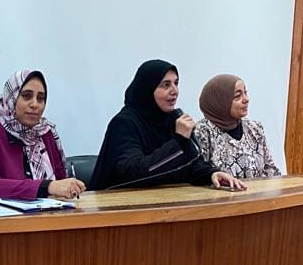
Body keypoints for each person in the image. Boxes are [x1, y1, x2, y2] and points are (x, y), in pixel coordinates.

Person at [88, 60, 245, 191]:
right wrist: (179, 141)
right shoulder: (124, 123)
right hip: (123, 208)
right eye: (165, 85)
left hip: (166, 203)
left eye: (176, 83)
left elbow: (189, 165)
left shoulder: (173, 118)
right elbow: (134, 173)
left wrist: (211, 174)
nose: (174, 91)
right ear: (147, 90)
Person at [0, 69, 86, 200]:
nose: (35, 104)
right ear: (11, 97)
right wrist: (47, 186)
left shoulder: (45, 132)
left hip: (49, 211)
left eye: (40, 98)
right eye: (26, 96)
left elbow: (61, 183)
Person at [195, 74, 281, 179]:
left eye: (245, 93)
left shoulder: (254, 128)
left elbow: (271, 169)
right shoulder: (202, 132)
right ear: (220, 101)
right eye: (237, 96)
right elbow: (198, 174)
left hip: (258, 189)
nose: (246, 99)